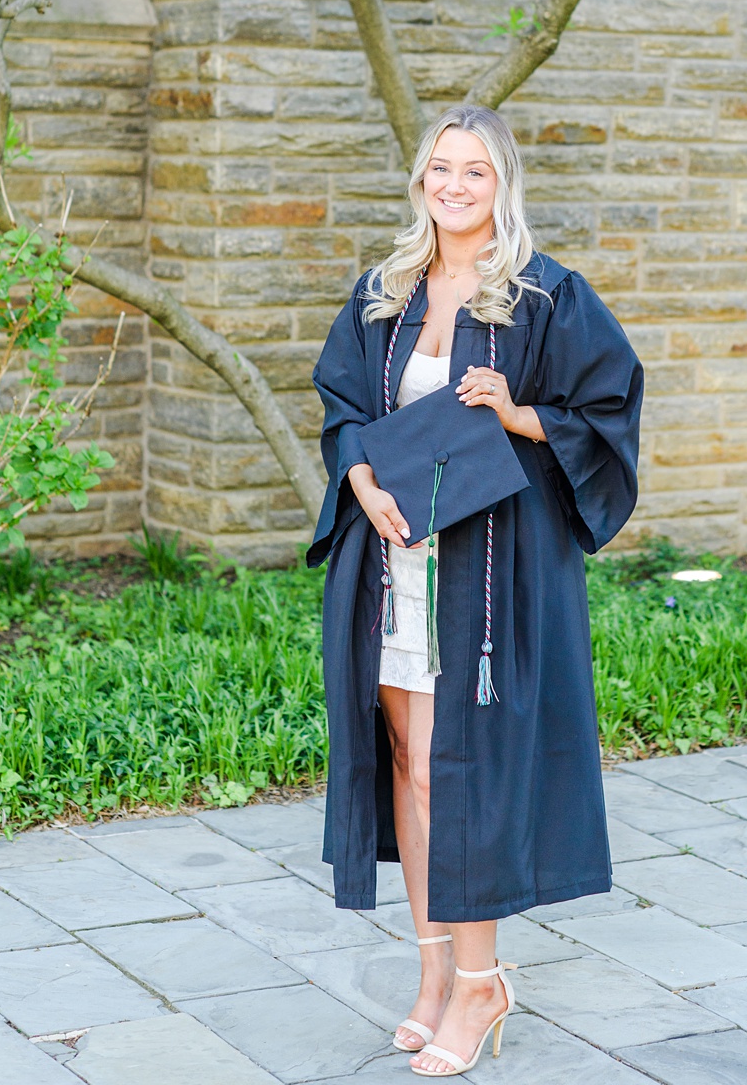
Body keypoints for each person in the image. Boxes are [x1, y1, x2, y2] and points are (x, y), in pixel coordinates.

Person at [308, 104, 643, 1078]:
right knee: (412, 761)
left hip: (490, 577)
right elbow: (342, 410)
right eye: (440, 170)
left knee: (471, 770)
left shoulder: (545, 296)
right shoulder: (383, 294)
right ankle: (431, 973)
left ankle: (481, 981)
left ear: (503, 185)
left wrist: (519, 411)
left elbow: (610, 411)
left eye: (475, 172)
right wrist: (359, 479)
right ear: (421, 181)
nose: (454, 187)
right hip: (395, 561)